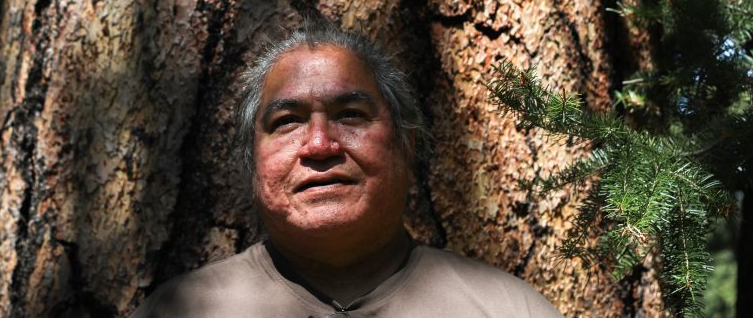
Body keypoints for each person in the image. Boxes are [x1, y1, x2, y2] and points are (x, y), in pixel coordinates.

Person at [132, 17, 563, 317]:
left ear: (406, 145)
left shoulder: (507, 308)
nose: (319, 145)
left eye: (351, 115)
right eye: (287, 122)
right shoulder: (181, 311)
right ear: (253, 161)